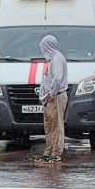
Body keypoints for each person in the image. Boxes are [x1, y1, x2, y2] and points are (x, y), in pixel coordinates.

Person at [36, 34, 68, 164]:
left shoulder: (57, 59)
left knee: (56, 126)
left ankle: (56, 153)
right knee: (49, 126)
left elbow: (57, 78)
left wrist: (52, 94)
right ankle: (48, 151)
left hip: (56, 97)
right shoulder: (52, 60)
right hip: (49, 99)